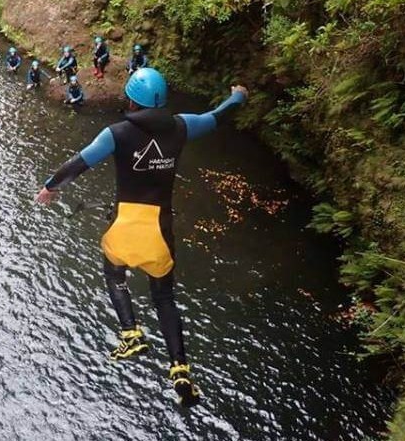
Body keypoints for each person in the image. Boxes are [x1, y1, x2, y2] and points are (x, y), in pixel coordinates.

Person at [35, 68, 247, 407]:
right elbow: (217, 117)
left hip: (125, 227)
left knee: (113, 272)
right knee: (164, 298)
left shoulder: (115, 133)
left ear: (132, 100)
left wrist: (49, 188)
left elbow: (78, 163)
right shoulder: (182, 126)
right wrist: (238, 96)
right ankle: (180, 369)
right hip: (160, 232)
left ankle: (130, 332)